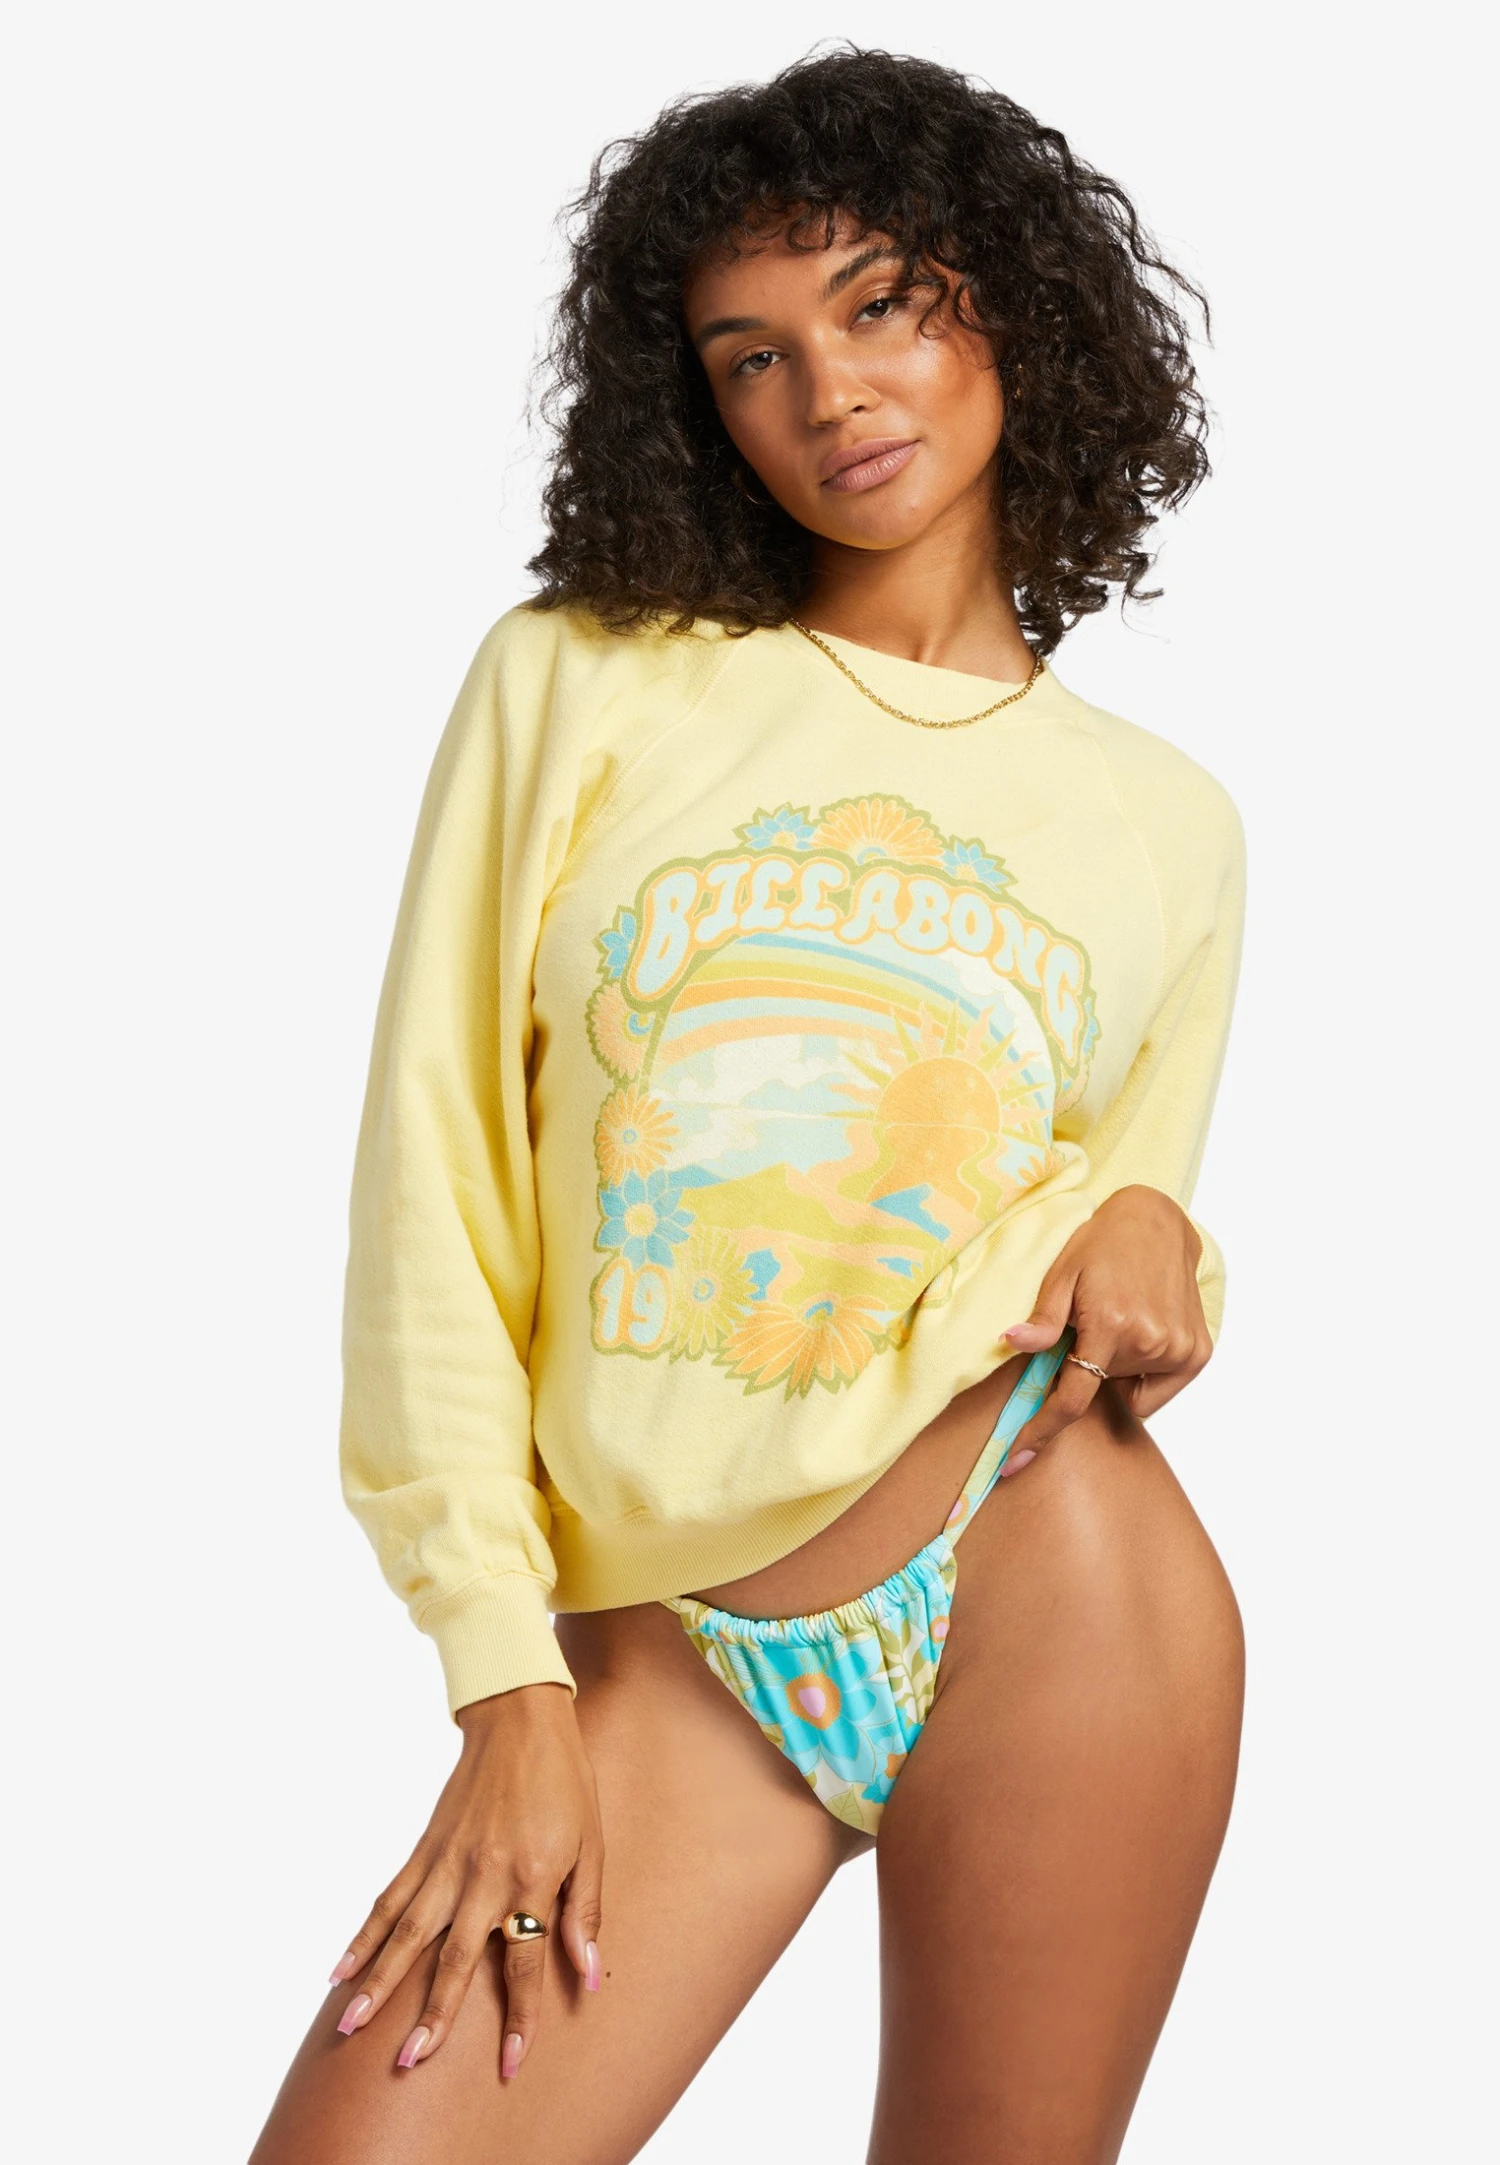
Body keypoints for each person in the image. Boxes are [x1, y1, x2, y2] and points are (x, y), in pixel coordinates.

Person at [252, 44, 1247, 2165]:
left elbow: (1119, 1239)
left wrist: (1171, 1234)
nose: (830, 393)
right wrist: (503, 1677)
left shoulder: (1172, 826)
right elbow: (433, 1177)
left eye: (881, 303)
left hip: (1055, 1577)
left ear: (1011, 302)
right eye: (752, 357)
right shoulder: (583, 676)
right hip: (657, 1659)